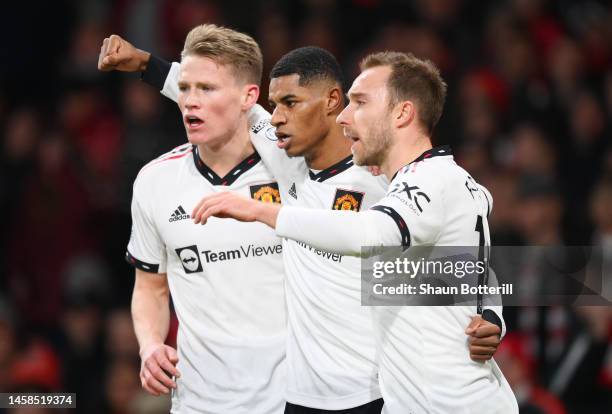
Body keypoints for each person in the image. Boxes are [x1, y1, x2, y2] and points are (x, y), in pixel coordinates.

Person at [99, 35, 506, 413]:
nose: (276, 118)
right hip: (300, 398)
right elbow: (220, 96)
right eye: (275, 105)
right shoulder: (286, 161)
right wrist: (143, 63)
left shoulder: (388, 180)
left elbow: (464, 253)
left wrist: (490, 314)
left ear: (331, 102)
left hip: (373, 390)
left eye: (290, 103)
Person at [119, 24, 287, 413]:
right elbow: (150, 288)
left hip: (291, 399)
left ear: (249, 97)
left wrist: (458, 302)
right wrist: (149, 346)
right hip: (198, 402)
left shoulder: (293, 173)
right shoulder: (154, 181)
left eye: (207, 90)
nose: (190, 102)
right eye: (185, 88)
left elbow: (372, 250)